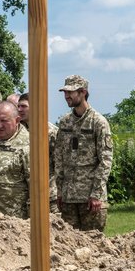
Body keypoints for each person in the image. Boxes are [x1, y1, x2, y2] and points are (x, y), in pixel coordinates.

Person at [55, 75, 113, 232]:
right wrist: (60, 191)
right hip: (68, 197)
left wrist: (96, 194)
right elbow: (59, 156)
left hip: (90, 198)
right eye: (65, 92)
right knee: (69, 245)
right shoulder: (65, 122)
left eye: (70, 92)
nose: (66, 96)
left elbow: (105, 160)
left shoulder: (98, 122)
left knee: (93, 245)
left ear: (82, 92)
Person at [18, 92, 60, 213]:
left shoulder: (50, 132)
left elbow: (59, 163)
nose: (20, 110)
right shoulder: (18, 131)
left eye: (24, 106)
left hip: (48, 194)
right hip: (26, 194)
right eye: (18, 106)